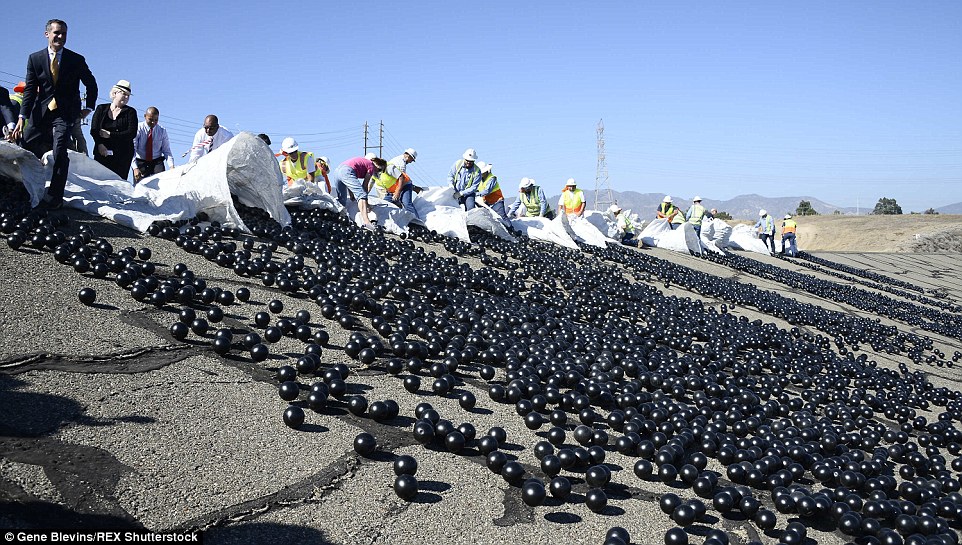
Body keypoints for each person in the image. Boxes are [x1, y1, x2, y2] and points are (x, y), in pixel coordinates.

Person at [12, 19, 98, 209]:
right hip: (41, 111)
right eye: (57, 33)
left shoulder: (76, 60)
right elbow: (29, 90)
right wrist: (22, 117)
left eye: (64, 34)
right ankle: (24, 188)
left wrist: (88, 108)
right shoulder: (35, 59)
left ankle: (54, 197)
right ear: (47, 34)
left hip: (65, 112)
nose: (60, 37)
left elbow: (91, 84)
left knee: (59, 150)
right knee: (25, 145)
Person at [89, 80, 137, 180]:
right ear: (115, 93)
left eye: (128, 95)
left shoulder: (131, 112)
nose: (126, 97)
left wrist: (110, 134)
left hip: (122, 155)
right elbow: (94, 130)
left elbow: (131, 133)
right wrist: (100, 144)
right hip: (102, 152)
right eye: (124, 94)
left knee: (118, 185)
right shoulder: (101, 108)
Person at [331, 155, 387, 230]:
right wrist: (367, 205)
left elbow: (351, 180)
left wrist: (351, 195)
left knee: (342, 200)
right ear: (377, 164)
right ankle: (367, 222)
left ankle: (335, 219)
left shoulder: (362, 163)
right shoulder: (371, 166)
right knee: (362, 195)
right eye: (380, 170)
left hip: (337, 172)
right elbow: (365, 186)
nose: (378, 172)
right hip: (346, 171)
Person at [132, 107, 174, 183]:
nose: (153, 122)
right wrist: (135, 168)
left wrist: (171, 166)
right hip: (141, 162)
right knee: (140, 187)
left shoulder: (162, 131)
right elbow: (132, 149)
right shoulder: (138, 128)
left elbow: (166, 150)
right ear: (145, 116)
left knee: (161, 185)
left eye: (156, 120)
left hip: (156, 162)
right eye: (150, 119)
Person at [381, 148, 419, 217]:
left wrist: (397, 193)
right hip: (398, 186)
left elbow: (402, 180)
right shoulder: (400, 163)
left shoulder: (400, 161)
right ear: (408, 156)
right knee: (385, 203)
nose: (411, 162)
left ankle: (418, 222)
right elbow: (401, 179)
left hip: (402, 185)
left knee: (406, 203)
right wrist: (397, 192)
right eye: (412, 160)